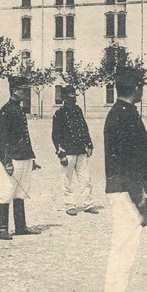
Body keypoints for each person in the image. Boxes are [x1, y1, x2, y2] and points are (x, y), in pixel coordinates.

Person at [102, 65, 147, 292]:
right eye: (141, 85)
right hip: (125, 190)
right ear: (136, 87)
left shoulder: (121, 113)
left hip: (124, 189)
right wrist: (142, 201)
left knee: (127, 252)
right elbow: (129, 165)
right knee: (122, 252)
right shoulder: (123, 117)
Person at [0, 75, 40, 240]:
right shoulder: (6, 111)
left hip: (24, 157)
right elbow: (0, 139)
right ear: (14, 91)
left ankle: (20, 227)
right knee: (6, 191)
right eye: (23, 90)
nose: (26, 93)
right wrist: (6, 161)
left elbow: (25, 136)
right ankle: (2, 229)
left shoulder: (20, 109)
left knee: (21, 192)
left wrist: (31, 158)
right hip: (12, 159)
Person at [52, 85, 98, 216]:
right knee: (67, 180)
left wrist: (89, 144)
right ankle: (70, 205)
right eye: (71, 97)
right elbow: (55, 135)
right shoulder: (59, 114)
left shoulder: (78, 111)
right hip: (68, 151)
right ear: (65, 98)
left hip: (81, 150)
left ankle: (88, 204)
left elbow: (84, 128)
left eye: (74, 97)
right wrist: (61, 153)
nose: (74, 100)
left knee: (85, 179)